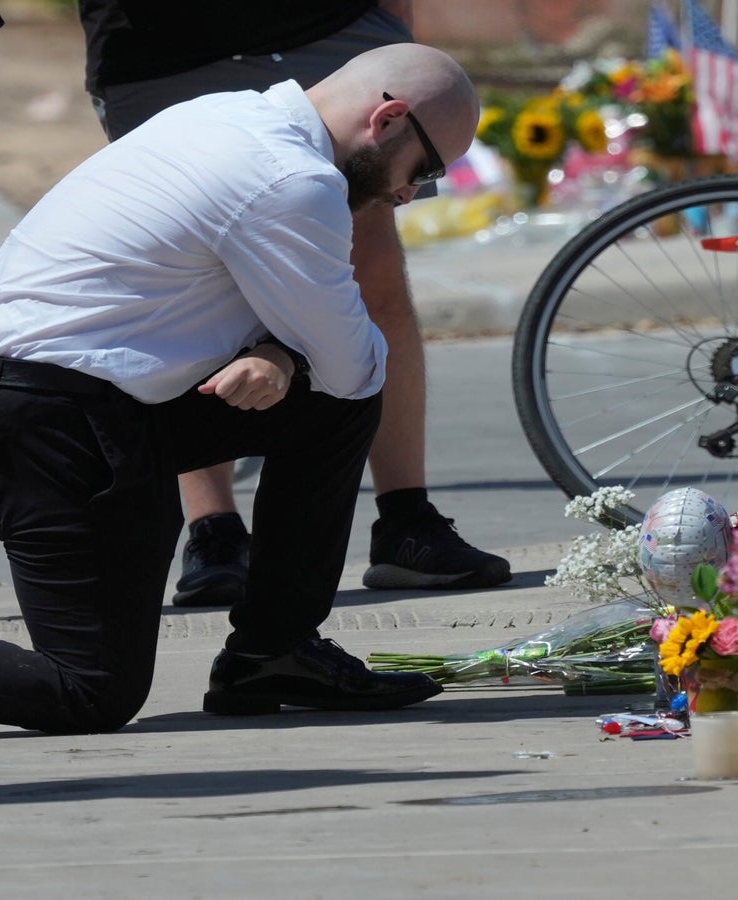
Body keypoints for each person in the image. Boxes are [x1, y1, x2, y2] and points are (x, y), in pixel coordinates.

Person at [0, 42, 476, 733]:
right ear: (386, 120)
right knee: (89, 691)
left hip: (56, 405)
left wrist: (283, 355)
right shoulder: (289, 180)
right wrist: (290, 353)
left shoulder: (224, 115)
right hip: (44, 431)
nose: (411, 192)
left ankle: (275, 653)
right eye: (428, 169)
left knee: (325, 408)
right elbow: (356, 364)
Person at [78, 0, 512, 607]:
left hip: (328, 24)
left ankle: (405, 518)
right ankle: (214, 529)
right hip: (167, 43)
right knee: (199, 280)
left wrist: (394, 44)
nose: (419, 192)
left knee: (368, 293)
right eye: (428, 170)